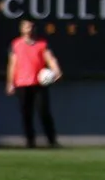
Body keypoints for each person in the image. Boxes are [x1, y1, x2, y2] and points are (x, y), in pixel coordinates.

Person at [5, 20, 62, 148]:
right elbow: (12, 64)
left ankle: (52, 140)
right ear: (21, 29)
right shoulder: (16, 44)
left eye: (31, 27)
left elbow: (50, 58)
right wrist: (10, 83)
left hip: (39, 83)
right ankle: (30, 141)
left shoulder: (42, 44)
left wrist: (56, 71)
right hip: (22, 83)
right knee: (26, 113)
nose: (29, 29)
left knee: (43, 112)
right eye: (26, 27)